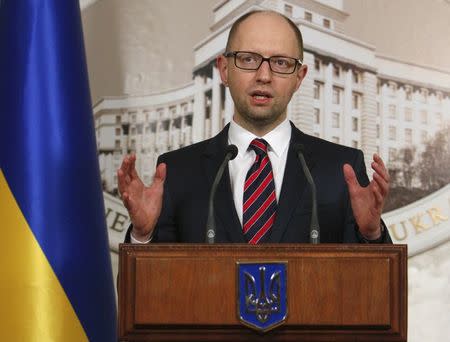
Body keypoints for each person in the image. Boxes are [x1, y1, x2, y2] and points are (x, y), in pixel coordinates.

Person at [118, 10, 392, 244]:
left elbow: (370, 290)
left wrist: (371, 235)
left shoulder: (341, 170)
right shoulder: (177, 172)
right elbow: (150, 295)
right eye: (248, 59)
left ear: (299, 78)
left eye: (281, 63)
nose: (264, 76)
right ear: (224, 69)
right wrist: (143, 235)